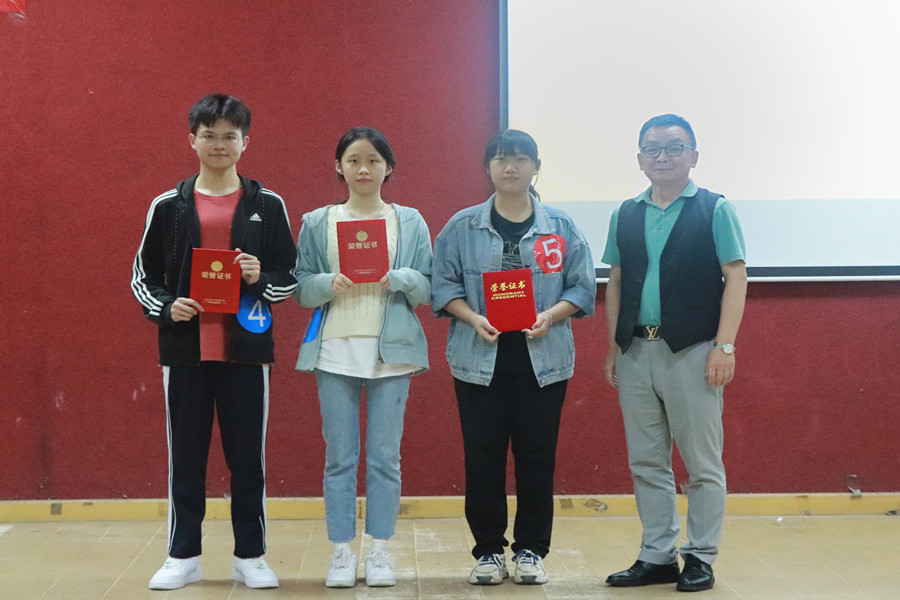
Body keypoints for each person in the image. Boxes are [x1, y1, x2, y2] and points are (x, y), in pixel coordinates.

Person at [131, 93, 297, 590]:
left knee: (248, 459)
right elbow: (143, 276)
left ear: (246, 142)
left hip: (247, 351)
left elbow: (289, 276)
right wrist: (167, 307)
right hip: (186, 351)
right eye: (210, 135)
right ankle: (183, 555)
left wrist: (259, 278)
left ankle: (251, 555)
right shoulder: (169, 205)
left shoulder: (267, 204)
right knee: (185, 457)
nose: (219, 144)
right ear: (192, 140)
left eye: (230, 136)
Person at [431, 129, 596, 586]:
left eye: (521, 159)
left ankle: (529, 551)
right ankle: (487, 551)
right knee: (482, 457)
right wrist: (471, 317)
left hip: (543, 362)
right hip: (477, 360)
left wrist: (550, 315)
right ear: (487, 167)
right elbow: (442, 287)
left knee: (537, 458)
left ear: (536, 168)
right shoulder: (461, 226)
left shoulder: (560, 227)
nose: (511, 167)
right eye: (502, 158)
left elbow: (582, 287)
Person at [602, 114, 747, 592]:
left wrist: (724, 346)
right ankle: (657, 555)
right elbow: (617, 281)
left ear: (693, 156)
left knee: (702, 464)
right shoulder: (625, 213)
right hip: (635, 352)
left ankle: (700, 555)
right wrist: (613, 348)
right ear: (640, 158)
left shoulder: (715, 209)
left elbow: (736, 277)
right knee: (646, 462)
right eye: (652, 149)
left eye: (673, 147)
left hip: (693, 351)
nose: (662, 157)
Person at [292, 127, 432, 588]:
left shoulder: (409, 221)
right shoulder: (318, 222)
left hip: (392, 351)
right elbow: (301, 287)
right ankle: (341, 551)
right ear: (339, 166)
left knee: (385, 457)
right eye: (353, 160)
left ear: (388, 168)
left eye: (373, 160)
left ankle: (380, 551)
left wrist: (403, 278)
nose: (364, 169)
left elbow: (430, 287)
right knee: (340, 457)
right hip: (335, 349)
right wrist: (325, 283)